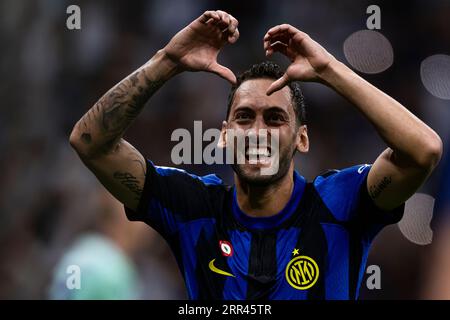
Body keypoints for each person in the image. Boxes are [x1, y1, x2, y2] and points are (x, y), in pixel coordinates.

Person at [69, 10, 442, 299]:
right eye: (244, 118)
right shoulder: (193, 206)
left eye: (276, 118)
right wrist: (168, 60)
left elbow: (423, 150)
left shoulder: (340, 204)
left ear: (302, 140)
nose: (258, 132)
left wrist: (330, 70)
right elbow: (90, 142)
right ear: (225, 137)